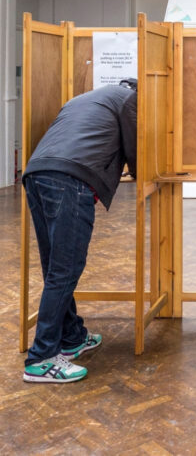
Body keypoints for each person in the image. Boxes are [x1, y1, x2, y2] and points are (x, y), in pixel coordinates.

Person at [22, 79, 137, 383]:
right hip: (69, 182)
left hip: (37, 174)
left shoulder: (84, 98)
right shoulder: (129, 99)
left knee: (56, 266)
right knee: (66, 267)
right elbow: (136, 148)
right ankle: (42, 357)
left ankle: (72, 337)